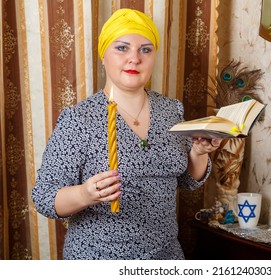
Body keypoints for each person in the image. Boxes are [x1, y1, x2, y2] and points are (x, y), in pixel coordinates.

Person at [31, 8, 221, 260]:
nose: (134, 58)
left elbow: (186, 180)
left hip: (165, 256)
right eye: (122, 48)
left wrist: (198, 151)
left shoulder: (171, 110)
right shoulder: (79, 119)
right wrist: (84, 194)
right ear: (103, 55)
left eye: (145, 49)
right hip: (98, 258)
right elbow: (44, 198)